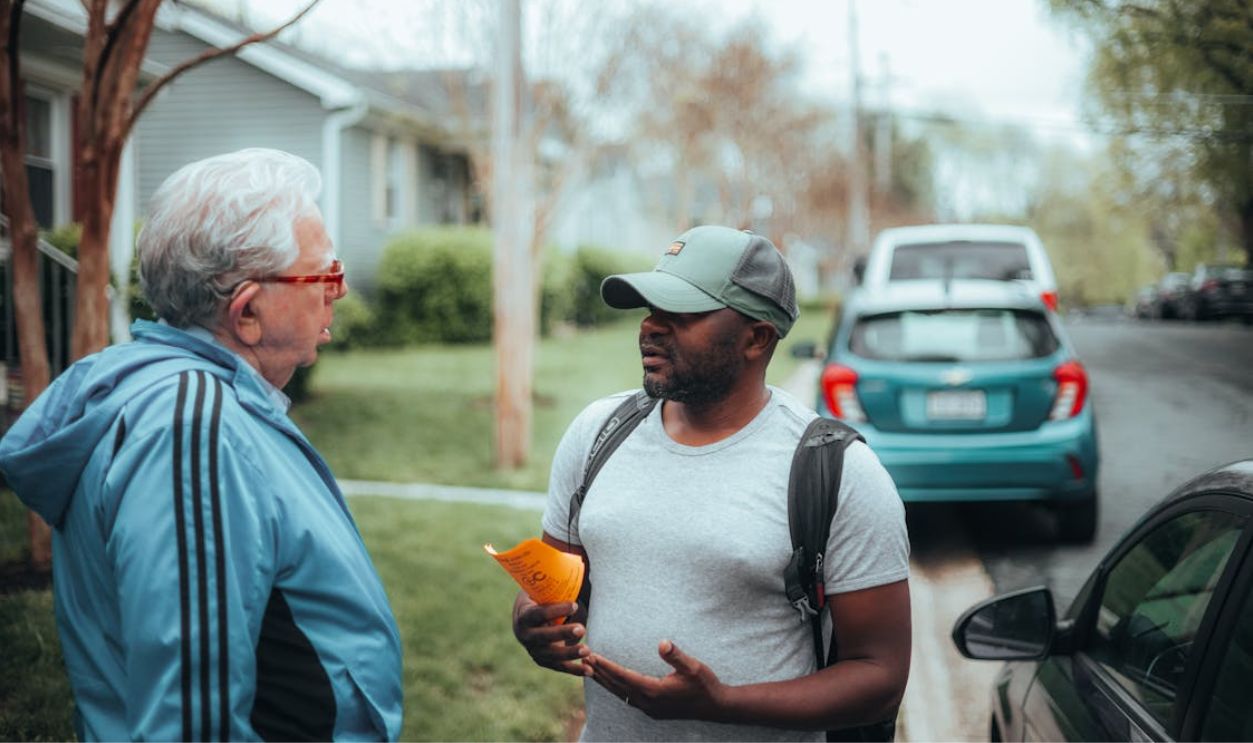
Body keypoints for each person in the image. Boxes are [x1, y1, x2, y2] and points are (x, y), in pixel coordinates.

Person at [0, 149, 403, 741]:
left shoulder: (195, 399)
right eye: (323, 276)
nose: (335, 293)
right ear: (247, 313)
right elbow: (192, 715)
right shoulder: (193, 429)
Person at [512, 225, 911, 741]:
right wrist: (531, 622)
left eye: (680, 314)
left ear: (756, 337)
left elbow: (880, 678)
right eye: (649, 309)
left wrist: (723, 704)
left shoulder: (837, 472)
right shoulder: (598, 432)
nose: (650, 327)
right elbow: (547, 584)